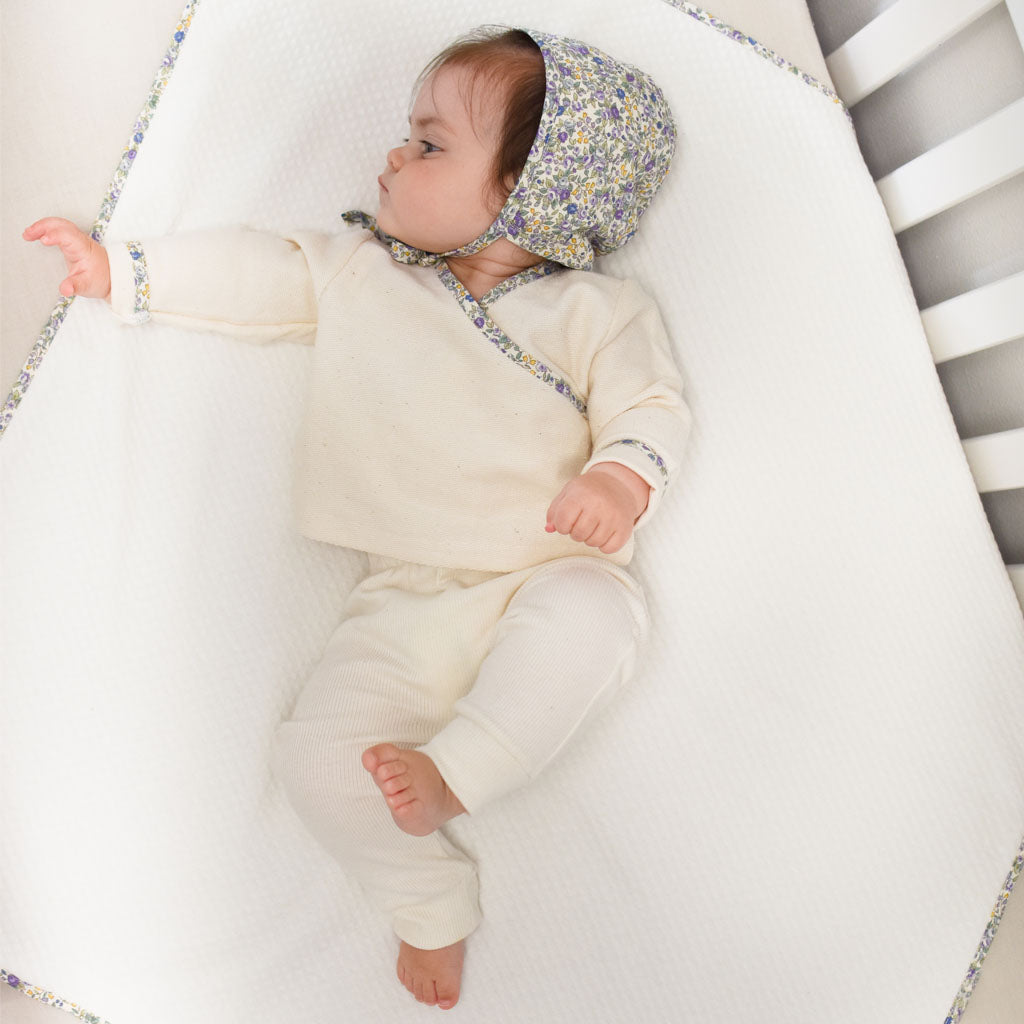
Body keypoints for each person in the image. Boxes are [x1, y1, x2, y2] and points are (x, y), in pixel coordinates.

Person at [23, 25, 690, 1011]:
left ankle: (460, 769)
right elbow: (258, 272)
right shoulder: (366, 271)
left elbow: (650, 406)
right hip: (405, 597)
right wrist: (124, 272)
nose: (391, 156)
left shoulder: (595, 311)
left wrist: (620, 481)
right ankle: (430, 897)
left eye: (427, 144)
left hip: (545, 567)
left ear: (525, 192)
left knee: (594, 620)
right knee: (312, 758)